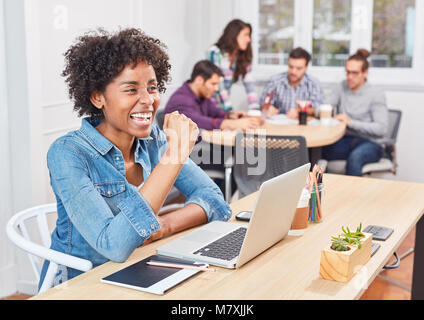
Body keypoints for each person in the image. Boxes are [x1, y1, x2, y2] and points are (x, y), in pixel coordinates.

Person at [38, 28, 231, 290]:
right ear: (97, 97)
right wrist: (174, 155)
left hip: (138, 271)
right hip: (80, 285)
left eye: (152, 88)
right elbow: (114, 246)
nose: (149, 100)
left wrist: (162, 226)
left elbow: (214, 199)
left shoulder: (153, 140)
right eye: (131, 90)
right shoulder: (68, 153)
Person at [320, 49, 389, 176]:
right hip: (345, 140)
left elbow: (382, 129)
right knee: (314, 152)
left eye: (354, 73)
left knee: (355, 158)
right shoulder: (342, 86)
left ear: (365, 73)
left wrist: (350, 122)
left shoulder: (376, 94)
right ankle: (324, 190)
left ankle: (352, 195)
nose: (349, 77)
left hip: (371, 143)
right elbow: (326, 106)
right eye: (347, 72)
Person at [164, 60, 261, 131]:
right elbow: (197, 122)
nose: (217, 88)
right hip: (187, 152)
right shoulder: (181, 99)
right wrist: (232, 124)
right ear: (199, 80)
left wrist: (232, 116)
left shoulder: (202, 96)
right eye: (213, 84)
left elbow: (216, 112)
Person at [206, 19, 259, 112]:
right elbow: (219, 84)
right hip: (209, 107)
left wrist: (255, 110)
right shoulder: (215, 52)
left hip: (223, 110)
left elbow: (250, 85)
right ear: (234, 35)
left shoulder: (240, 57)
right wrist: (229, 110)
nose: (249, 39)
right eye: (245, 35)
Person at [259, 47, 324, 119]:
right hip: (280, 126)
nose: (293, 72)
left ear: (306, 68)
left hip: (304, 127)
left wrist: (300, 111)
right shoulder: (275, 81)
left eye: (298, 68)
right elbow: (263, 104)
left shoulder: (313, 84)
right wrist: (267, 108)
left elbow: (319, 109)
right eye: (291, 67)